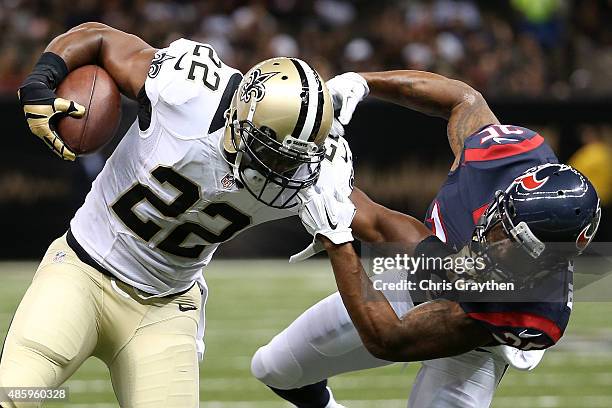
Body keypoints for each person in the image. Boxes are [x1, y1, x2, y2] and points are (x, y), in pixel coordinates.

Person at [0, 23, 461, 408]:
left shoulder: (306, 169)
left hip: (165, 308)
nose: (280, 170)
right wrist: (43, 76)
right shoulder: (188, 90)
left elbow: (380, 225)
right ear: (243, 115)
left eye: (291, 160)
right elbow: (99, 38)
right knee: (19, 392)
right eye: (272, 153)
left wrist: (466, 270)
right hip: (82, 269)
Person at [250, 70, 602, 408]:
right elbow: (462, 98)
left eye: (518, 248)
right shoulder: (505, 157)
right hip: (422, 279)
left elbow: (390, 339)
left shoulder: (533, 309)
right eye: (502, 228)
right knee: (272, 368)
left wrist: (336, 240)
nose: (497, 245)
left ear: (551, 262)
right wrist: (361, 82)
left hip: (474, 343)